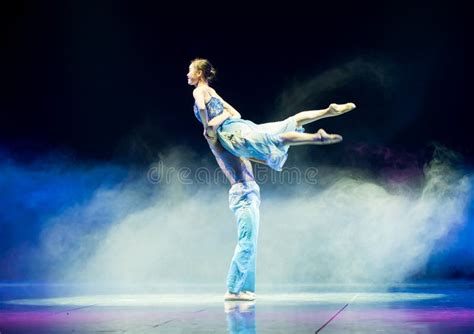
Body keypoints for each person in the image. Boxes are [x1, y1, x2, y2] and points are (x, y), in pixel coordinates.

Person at [187, 58, 356, 171]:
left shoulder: (198, 92)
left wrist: (207, 126)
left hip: (232, 133)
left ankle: (317, 137)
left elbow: (202, 109)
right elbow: (235, 113)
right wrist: (221, 117)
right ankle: (328, 111)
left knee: (275, 142)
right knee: (292, 121)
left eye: (190, 71)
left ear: (199, 73)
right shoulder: (212, 91)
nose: (187, 74)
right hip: (241, 125)